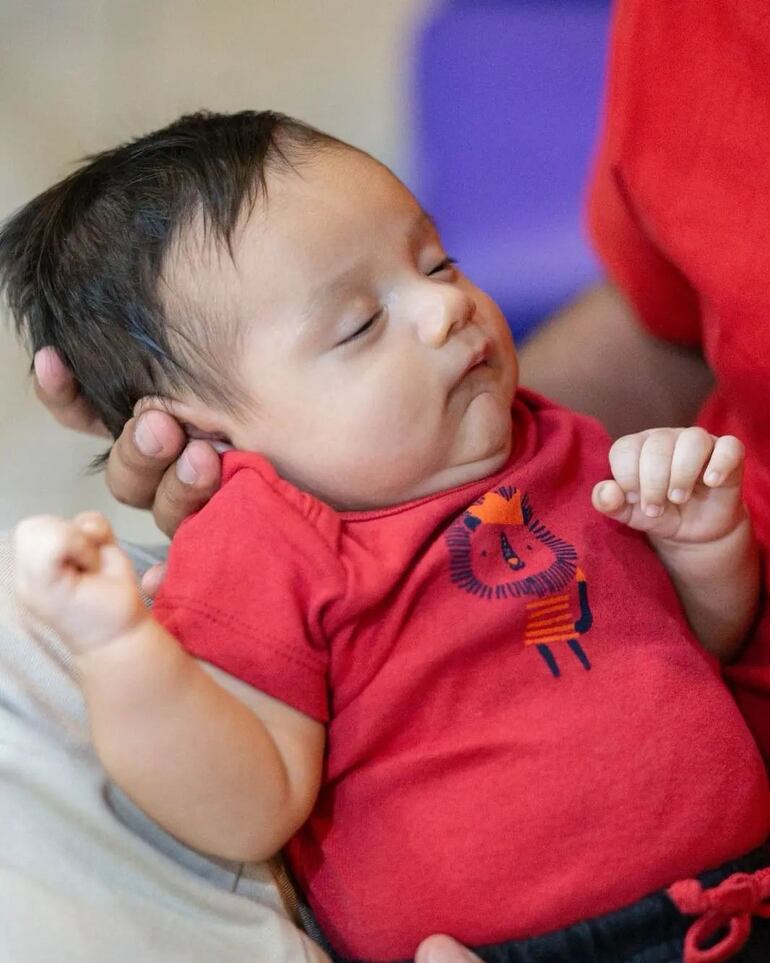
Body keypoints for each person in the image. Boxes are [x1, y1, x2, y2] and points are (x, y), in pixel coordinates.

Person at [4, 108, 769, 963]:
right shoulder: (273, 543)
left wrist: (704, 546)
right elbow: (250, 800)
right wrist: (118, 648)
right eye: (361, 325)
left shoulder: (554, 439)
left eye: (439, 261)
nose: (447, 306)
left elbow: (692, 642)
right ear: (207, 435)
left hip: (740, 897)